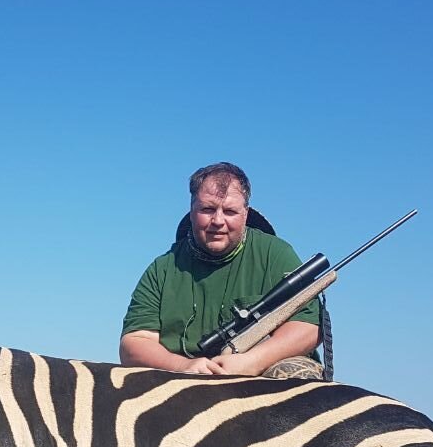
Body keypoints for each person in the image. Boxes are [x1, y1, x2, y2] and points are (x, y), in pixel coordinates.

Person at [120, 162, 324, 378]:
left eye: (229, 211)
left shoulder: (276, 254)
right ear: (192, 211)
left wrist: (251, 362)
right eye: (207, 209)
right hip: (183, 376)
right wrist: (182, 366)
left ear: (245, 214)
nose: (218, 221)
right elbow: (134, 343)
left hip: (261, 371)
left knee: (294, 375)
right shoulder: (161, 269)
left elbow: (308, 327)